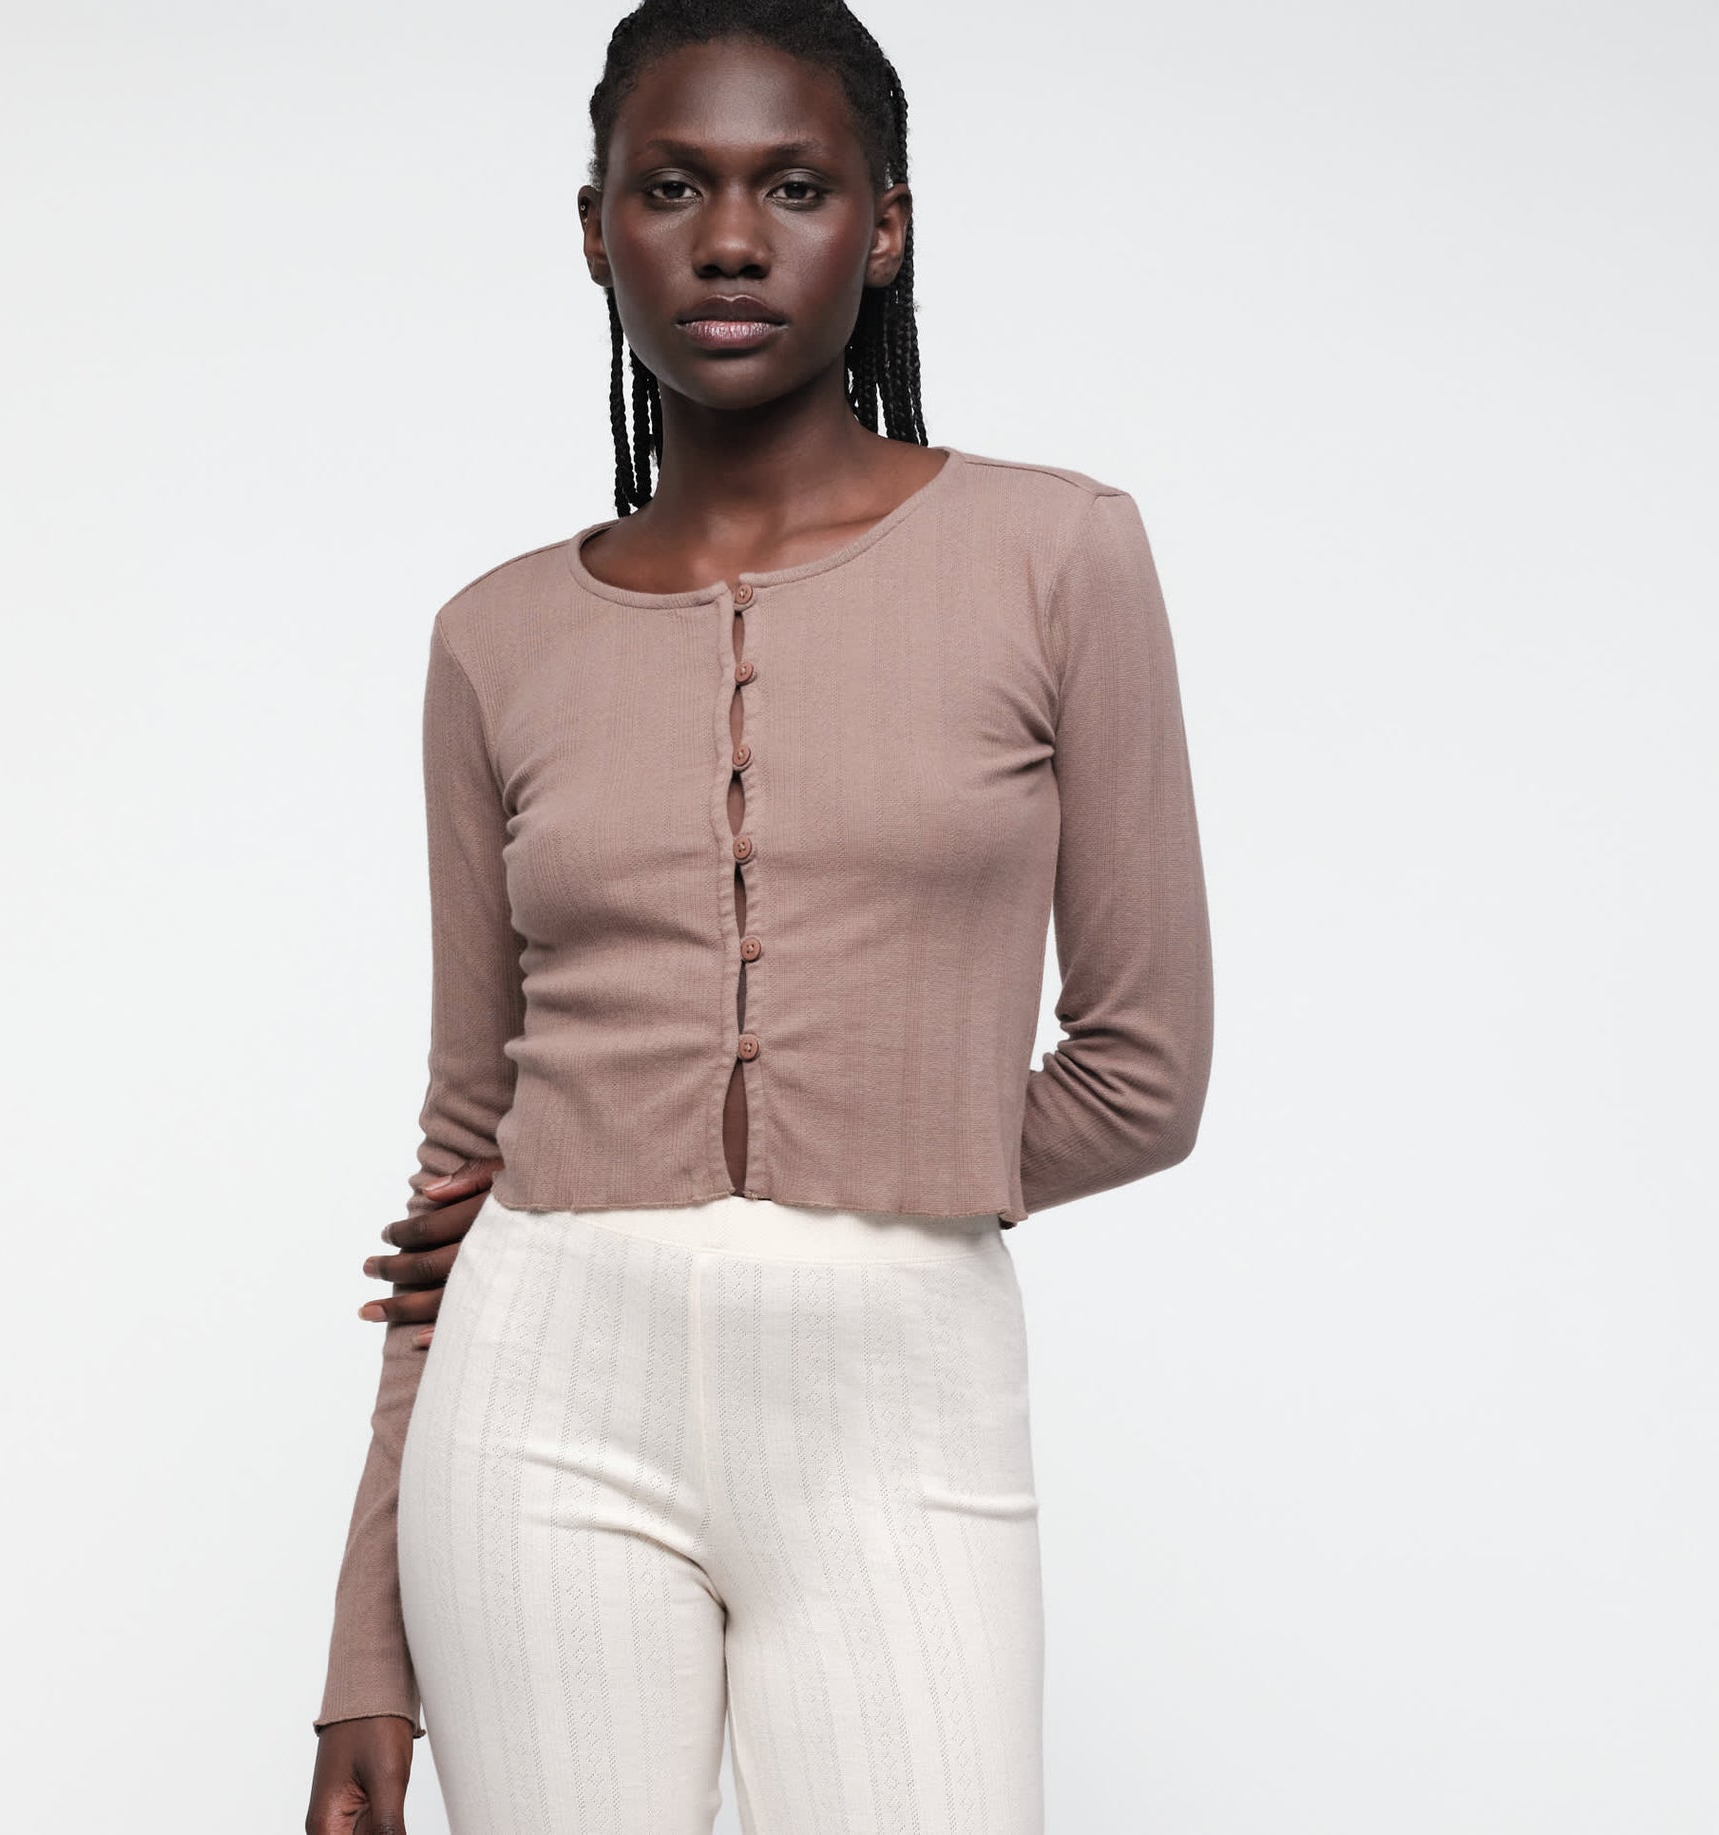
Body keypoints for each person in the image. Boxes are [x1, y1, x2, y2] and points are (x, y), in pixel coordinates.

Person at [305, 2, 1214, 1830]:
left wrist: (856, 1152)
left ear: (883, 228)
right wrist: (363, 1657)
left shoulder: (1057, 555)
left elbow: (1142, 1077)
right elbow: (466, 1151)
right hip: (535, 1390)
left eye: (794, 187)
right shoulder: (494, 639)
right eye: (672, 188)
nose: (731, 240)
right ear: (596, 230)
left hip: (899, 1383)